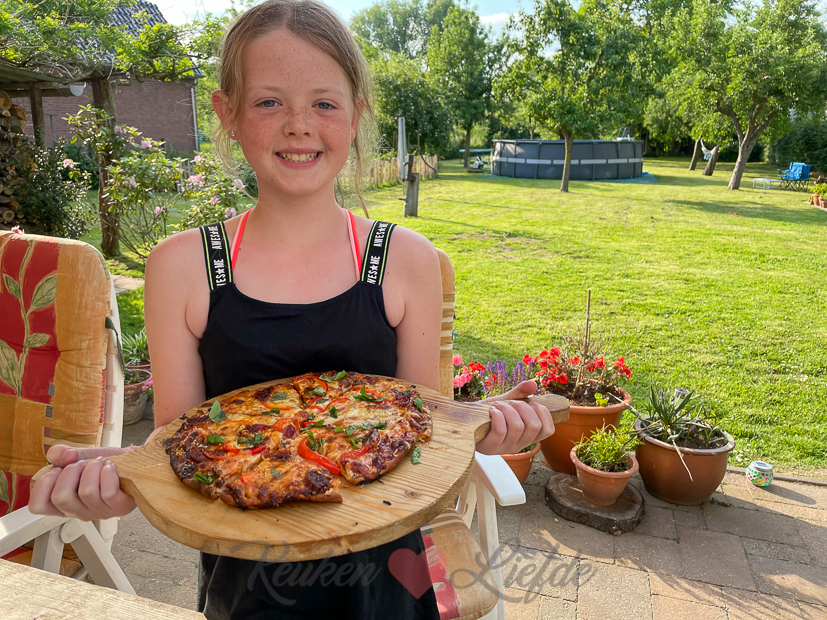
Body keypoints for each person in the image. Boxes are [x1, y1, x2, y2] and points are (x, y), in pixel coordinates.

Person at [29, 1, 556, 618]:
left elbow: (422, 437)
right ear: (227, 114)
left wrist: (486, 426)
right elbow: (183, 454)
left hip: (394, 570)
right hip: (249, 583)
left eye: (325, 103)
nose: (299, 125)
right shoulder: (180, 268)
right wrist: (123, 486)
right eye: (268, 101)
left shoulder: (408, 260)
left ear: (357, 116)